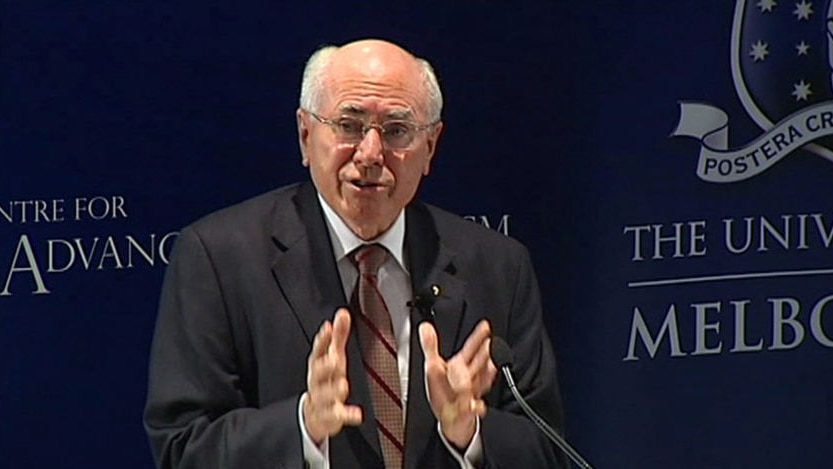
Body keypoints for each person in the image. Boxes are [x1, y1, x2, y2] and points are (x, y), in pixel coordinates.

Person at [143, 38, 565, 469]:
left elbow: (548, 451)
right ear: (306, 135)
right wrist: (303, 425)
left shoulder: (497, 267)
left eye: (397, 130)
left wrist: (470, 433)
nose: (370, 154)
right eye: (349, 125)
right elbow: (184, 449)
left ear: (431, 148)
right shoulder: (218, 258)